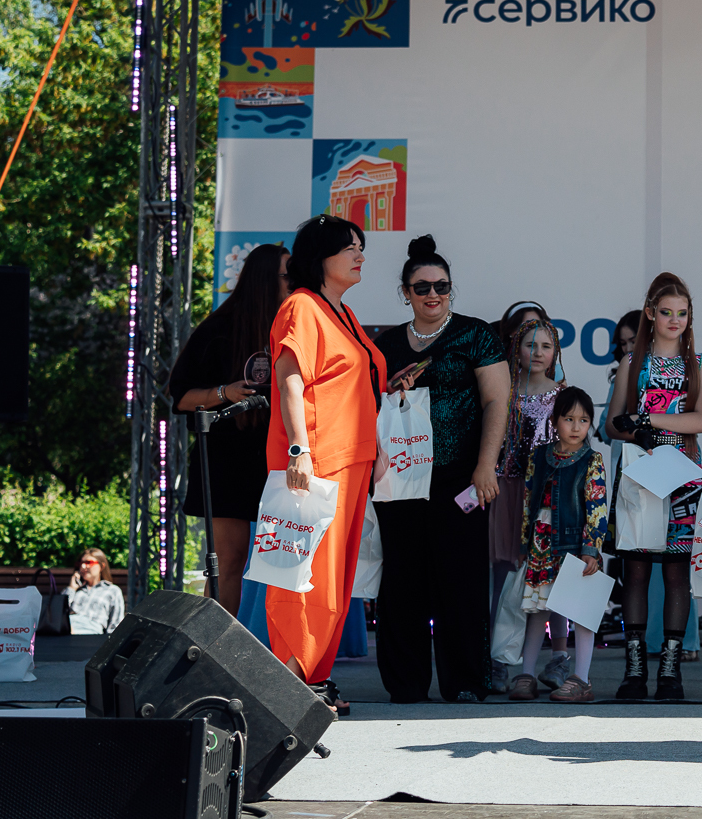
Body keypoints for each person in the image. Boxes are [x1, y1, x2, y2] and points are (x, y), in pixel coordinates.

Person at [373, 235, 509, 704]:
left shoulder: (476, 334)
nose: (433, 294)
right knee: (402, 579)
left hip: (460, 476)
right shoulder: (387, 343)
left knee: (461, 578)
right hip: (401, 477)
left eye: (442, 286)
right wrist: (390, 388)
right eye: (422, 287)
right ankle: (405, 683)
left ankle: (466, 680)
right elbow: (371, 407)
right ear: (405, 292)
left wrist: (486, 465)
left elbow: (497, 401)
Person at [267, 213, 389, 710]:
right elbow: (289, 377)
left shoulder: (344, 313)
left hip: (353, 460)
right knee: (303, 573)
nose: (360, 255)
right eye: (349, 248)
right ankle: (288, 681)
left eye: (361, 247)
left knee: (335, 581)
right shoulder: (301, 306)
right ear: (320, 257)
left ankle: (313, 679)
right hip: (317, 461)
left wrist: (376, 446)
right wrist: (298, 449)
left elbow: (358, 385)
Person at [605, 272, 702, 701]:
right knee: (634, 570)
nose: (674, 320)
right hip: (640, 471)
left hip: (683, 474)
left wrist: (650, 419)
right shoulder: (632, 363)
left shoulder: (700, 364)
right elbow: (613, 424)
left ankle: (671, 671)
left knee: (676, 572)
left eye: (682, 313)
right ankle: (634, 671)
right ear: (651, 313)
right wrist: (636, 429)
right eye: (666, 312)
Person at [169, 242, 288, 617]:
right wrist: (224, 393)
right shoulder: (219, 329)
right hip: (228, 460)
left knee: (289, 562)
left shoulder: (295, 325)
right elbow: (181, 397)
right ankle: (215, 646)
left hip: (280, 457)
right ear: (266, 279)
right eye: (288, 276)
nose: (295, 283)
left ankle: (280, 648)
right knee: (229, 560)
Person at [514, 386, 609, 704]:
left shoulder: (592, 460)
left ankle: (581, 678)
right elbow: (528, 500)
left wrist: (591, 549)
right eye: (569, 419)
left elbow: (597, 508)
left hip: (576, 548)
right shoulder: (539, 456)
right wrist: (524, 543)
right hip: (541, 545)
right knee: (537, 610)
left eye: (584, 420)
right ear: (555, 420)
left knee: (581, 613)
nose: (576, 427)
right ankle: (527, 673)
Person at [500, 313, 572, 695]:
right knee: (507, 574)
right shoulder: (504, 390)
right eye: (531, 345)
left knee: (553, 576)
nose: (539, 352)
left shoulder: (563, 395)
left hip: (549, 495)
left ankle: (559, 656)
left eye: (547, 346)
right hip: (508, 490)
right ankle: (501, 656)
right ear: (517, 349)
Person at [67, 547, 125, 635]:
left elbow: (116, 625)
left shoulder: (112, 591)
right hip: (68, 628)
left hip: (90, 632)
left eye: (88, 563)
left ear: (101, 566)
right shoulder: (76, 589)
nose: (83, 567)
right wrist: (71, 588)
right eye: (81, 563)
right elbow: (59, 613)